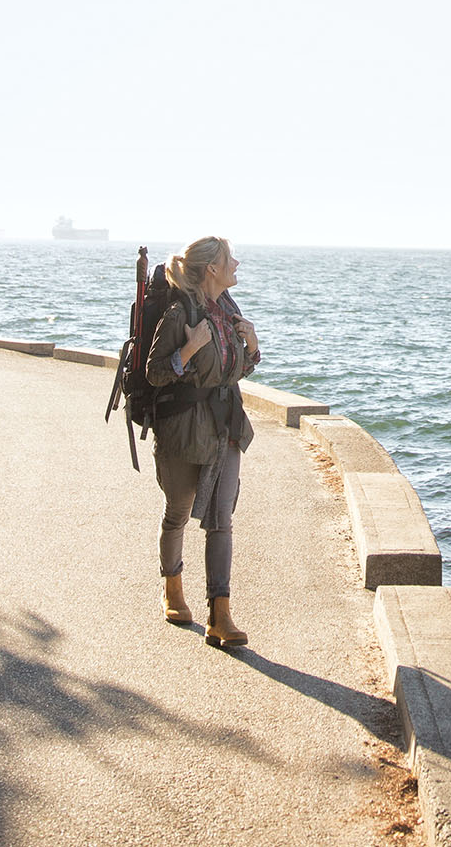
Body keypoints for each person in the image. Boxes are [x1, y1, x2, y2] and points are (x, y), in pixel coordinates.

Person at [145, 235, 262, 647]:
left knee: (221, 521)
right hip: (184, 430)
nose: (237, 264)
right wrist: (189, 349)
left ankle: (220, 614)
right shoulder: (181, 313)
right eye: (230, 259)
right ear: (211, 268)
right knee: (177, 513)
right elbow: (155, 373)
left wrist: (251, 347)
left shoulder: (229, 311)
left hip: (226, 428)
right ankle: (172, 590)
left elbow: (233, 370)